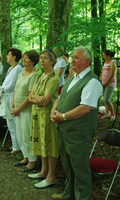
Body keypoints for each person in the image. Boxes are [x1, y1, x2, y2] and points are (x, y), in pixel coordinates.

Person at [50, 46, 102, 200]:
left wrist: (63, 116)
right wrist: (54, 109)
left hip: (79, 132)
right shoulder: (72, 78)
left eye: (76, 58)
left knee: (80, 168)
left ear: (87, 61)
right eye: (72, 57)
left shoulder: (92, 82)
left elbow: (85, 108)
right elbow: (61, 97)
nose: (72, 60)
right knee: (68, 165)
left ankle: (82, 197)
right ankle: (69, 194)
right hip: (65, 129)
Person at [27, 49, 59, 189]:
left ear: (52, 61)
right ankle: (43, 171)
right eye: (40, 57)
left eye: (45, 58)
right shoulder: (39, 77)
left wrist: (36, 98)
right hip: (36, 115)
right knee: (41, 142)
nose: (41, 60)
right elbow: (30, 96)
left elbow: (46, 101)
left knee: (49, 144)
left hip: (47, 116)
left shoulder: (53, 77)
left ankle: (51, 176)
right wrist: (36, 98)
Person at [11, 50, 39, 172]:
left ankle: (32, 161)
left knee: (27, 135)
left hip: (26, 110)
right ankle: (25, 156)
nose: (23, 60)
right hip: (17, 109)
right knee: (20, 134)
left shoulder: (34, 76)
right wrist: (12, 106)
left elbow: (30, 96)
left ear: (33, 61)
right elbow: (15, 91)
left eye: (26, 58)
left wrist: (18, 109)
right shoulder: (20, 74)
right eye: (23, 58)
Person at [0, 48, 23, 154]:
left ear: (14, 57)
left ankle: (20, 147)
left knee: (14, 122)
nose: (7, 57)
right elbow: (5, 83)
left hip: (12, 97)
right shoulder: (10, 69)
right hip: (6, 96)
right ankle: (15, 146)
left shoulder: (18, 69)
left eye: (9, 55)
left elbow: (11, 86)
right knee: (10, 123)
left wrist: (0, 91)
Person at [99, 50, 117, 121]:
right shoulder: (105, 63)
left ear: (108, 56)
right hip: (103, 83)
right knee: (105, 99)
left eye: (104, 55)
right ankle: (107, 114)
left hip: (110, 83)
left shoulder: (113, 63)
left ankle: (113, 114)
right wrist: (100, 81)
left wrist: (105, 83)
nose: (103, 57)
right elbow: (102, 73)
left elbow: (112, 75)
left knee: (107, 99)